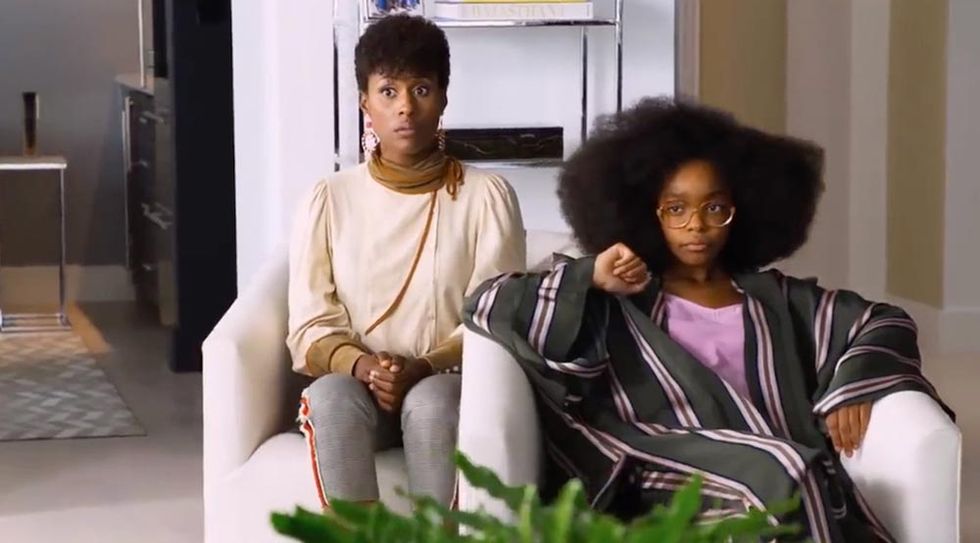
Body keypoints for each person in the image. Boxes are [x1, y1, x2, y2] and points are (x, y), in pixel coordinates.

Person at [462, 98, 951, 541]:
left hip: (778, 474)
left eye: (714, 207)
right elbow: (487, 304)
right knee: (783, 469)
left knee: (785, 470)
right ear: (647, 213)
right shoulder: (620, 296)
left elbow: (882, 322)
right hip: (655, 478)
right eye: (676, 209)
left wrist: (854, 384)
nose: (696, 225)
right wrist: (590, 276)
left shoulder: (778, 300)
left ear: (743, 209)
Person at [289, 14, 525, 510]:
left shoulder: (487, 196)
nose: (405, 108)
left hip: (447, 388)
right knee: (330, 397)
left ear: (443, 98)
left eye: (421, 89)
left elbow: (497, 319)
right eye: (388, 91)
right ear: (365, 104)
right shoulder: (330, 198)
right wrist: (365, 366)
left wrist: (422, 367)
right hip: (359, 390)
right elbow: (309, 324)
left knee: (430, 400)